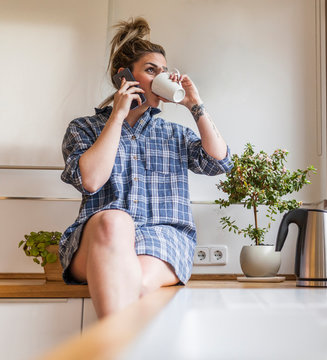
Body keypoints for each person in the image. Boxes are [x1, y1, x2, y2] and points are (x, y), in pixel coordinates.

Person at [59, 17, 232, 319]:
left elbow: (219, 161)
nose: (159, 79)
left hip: (162, 238)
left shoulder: (174, 134)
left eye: (164, 72)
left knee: (133, 284)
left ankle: (112, 349)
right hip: (100, 238)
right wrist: (117, 115)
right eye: (151, 71)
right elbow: (90, 180)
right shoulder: (83, 128)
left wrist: (195, 104)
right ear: (123, 76)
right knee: (114, 220)